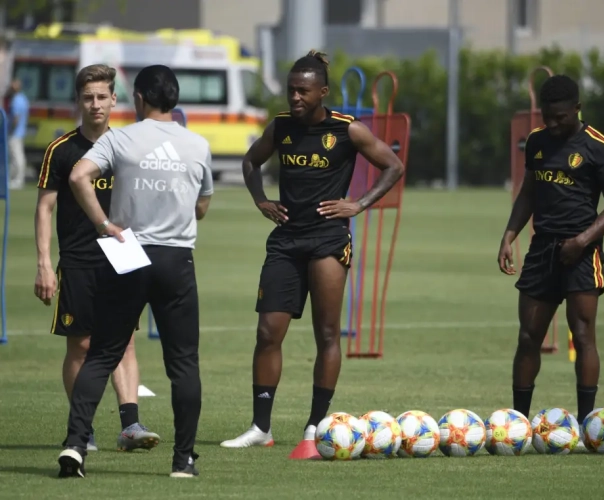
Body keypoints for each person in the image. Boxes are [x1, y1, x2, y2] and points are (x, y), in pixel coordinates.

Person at [220, 50, 404, 458]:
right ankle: (260, 428)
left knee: (326, 334)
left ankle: (314, 426)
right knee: (267, 332)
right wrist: (261, 200)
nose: (295, 98)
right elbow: (251, 162)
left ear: (322, 92)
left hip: (327, 240)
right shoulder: (281, 127)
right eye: (290, 90)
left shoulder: (347, 130)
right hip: (286, 241)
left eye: (303, 91)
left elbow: (392, 165)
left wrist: (358, 203)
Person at [57, 64, 213, 478]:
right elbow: (202, 205)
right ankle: (183, 461)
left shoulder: (121, 138)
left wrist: (103, 224)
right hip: (176, 259)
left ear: (139, 99)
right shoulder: (197, 144)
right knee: (183, 363)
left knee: (102, 353)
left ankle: (75, 446)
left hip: (127, 253)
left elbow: (78, 176)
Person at [34, 64, 159, 453]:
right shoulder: (62, 150)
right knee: (82, 346)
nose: (95, 104)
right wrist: (43, 263)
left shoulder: (125, 146)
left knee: (125, 343)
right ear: (78, 100)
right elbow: (44, 209)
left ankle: (130, 426)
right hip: (77, 259)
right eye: (88, 97)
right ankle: (83, 431)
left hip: (121, 255)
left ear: (114, 100)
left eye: (102, 96)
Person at [497, 75, 604, 445]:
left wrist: (583, 240)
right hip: (542, 251)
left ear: (576, 109)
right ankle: (518, 424)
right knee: (528, 336)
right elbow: (529, 192)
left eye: (559, 118)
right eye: (547, 117)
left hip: (582, 253)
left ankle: (589, 424)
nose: (552, 125)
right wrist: (509, 235)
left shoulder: (599, 146)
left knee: (583, 334)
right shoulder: (537, 141)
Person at [8, 78, 29, 189]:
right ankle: (16, 179)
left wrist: (10, 129)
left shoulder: (16, 100)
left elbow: (15, 118)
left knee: (16, 157)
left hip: (15, 133)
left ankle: (17, 180)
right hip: (20, 132)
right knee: (18, 156)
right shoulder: (23, 98)